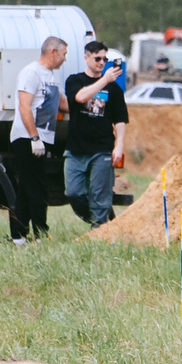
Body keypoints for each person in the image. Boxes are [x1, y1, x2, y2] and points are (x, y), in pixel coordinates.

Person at [5, 36, 66, 244]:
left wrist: (87, 104)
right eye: (64, 54)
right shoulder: (31, 73)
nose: (65, 58)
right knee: (38, 187)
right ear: (53, 52)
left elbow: (61, 103)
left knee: (26, 188)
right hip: (27, 138)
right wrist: (34, 137)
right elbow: (24, 107)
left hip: (42, 137)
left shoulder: (52, 76)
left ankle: (18, 235)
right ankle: (41, 234)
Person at [61, 40, 126, 226]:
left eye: (104, 59)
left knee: (100, 196)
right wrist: (104, 80)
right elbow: (80, 97)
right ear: (86, 57)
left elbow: (120, 119)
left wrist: (119, 145)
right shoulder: (74, 81)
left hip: (102, 149)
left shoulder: (114, 89)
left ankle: (99, 229)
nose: (101, 63)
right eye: (97, 58)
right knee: (73, 193)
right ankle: (100, 222)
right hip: (76, 149)